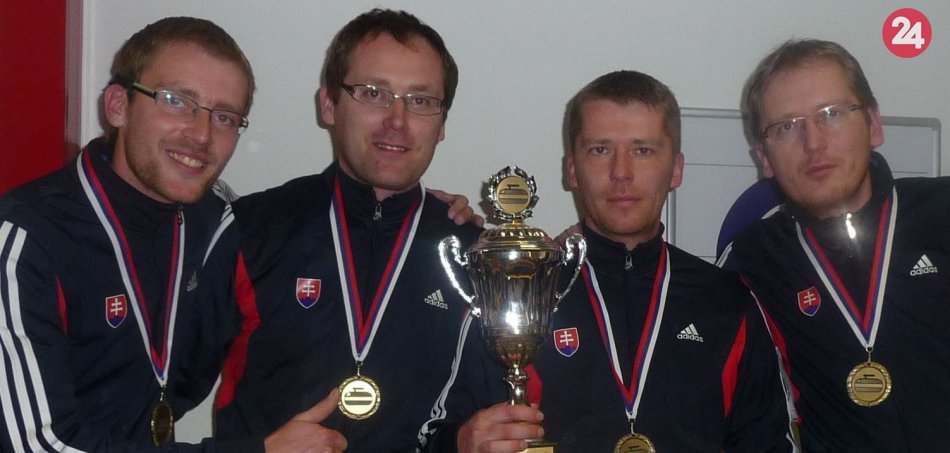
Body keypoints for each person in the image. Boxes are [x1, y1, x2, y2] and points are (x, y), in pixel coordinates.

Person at [0, 16, 476, 452]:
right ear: (117, 105)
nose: (201, 133)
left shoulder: (215, 217)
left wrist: (420, 212)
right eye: (176, 101)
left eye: (224, 116)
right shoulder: (23, 238)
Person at [419, 70, 797, 452]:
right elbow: (435, 434)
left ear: (676, 169)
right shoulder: (514, 293)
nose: (621, 173)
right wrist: (459, 443)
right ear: (572, 170)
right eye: (600, 150)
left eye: (642, 150)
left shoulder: (729, 304)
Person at [210, 9, 483, 452]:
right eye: (374, 93)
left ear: (442, 123)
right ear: (329, 104)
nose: (397, 120)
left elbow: (476, 422)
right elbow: (162, 385)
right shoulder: (251, 227)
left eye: (420, 100)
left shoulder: (472, 255)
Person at [717, 38, 950, 451]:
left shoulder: (942, 211)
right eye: (786, 126)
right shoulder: (752, 259)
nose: (814, 143)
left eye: (832, 114)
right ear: (764, 158)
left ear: (874, 125)